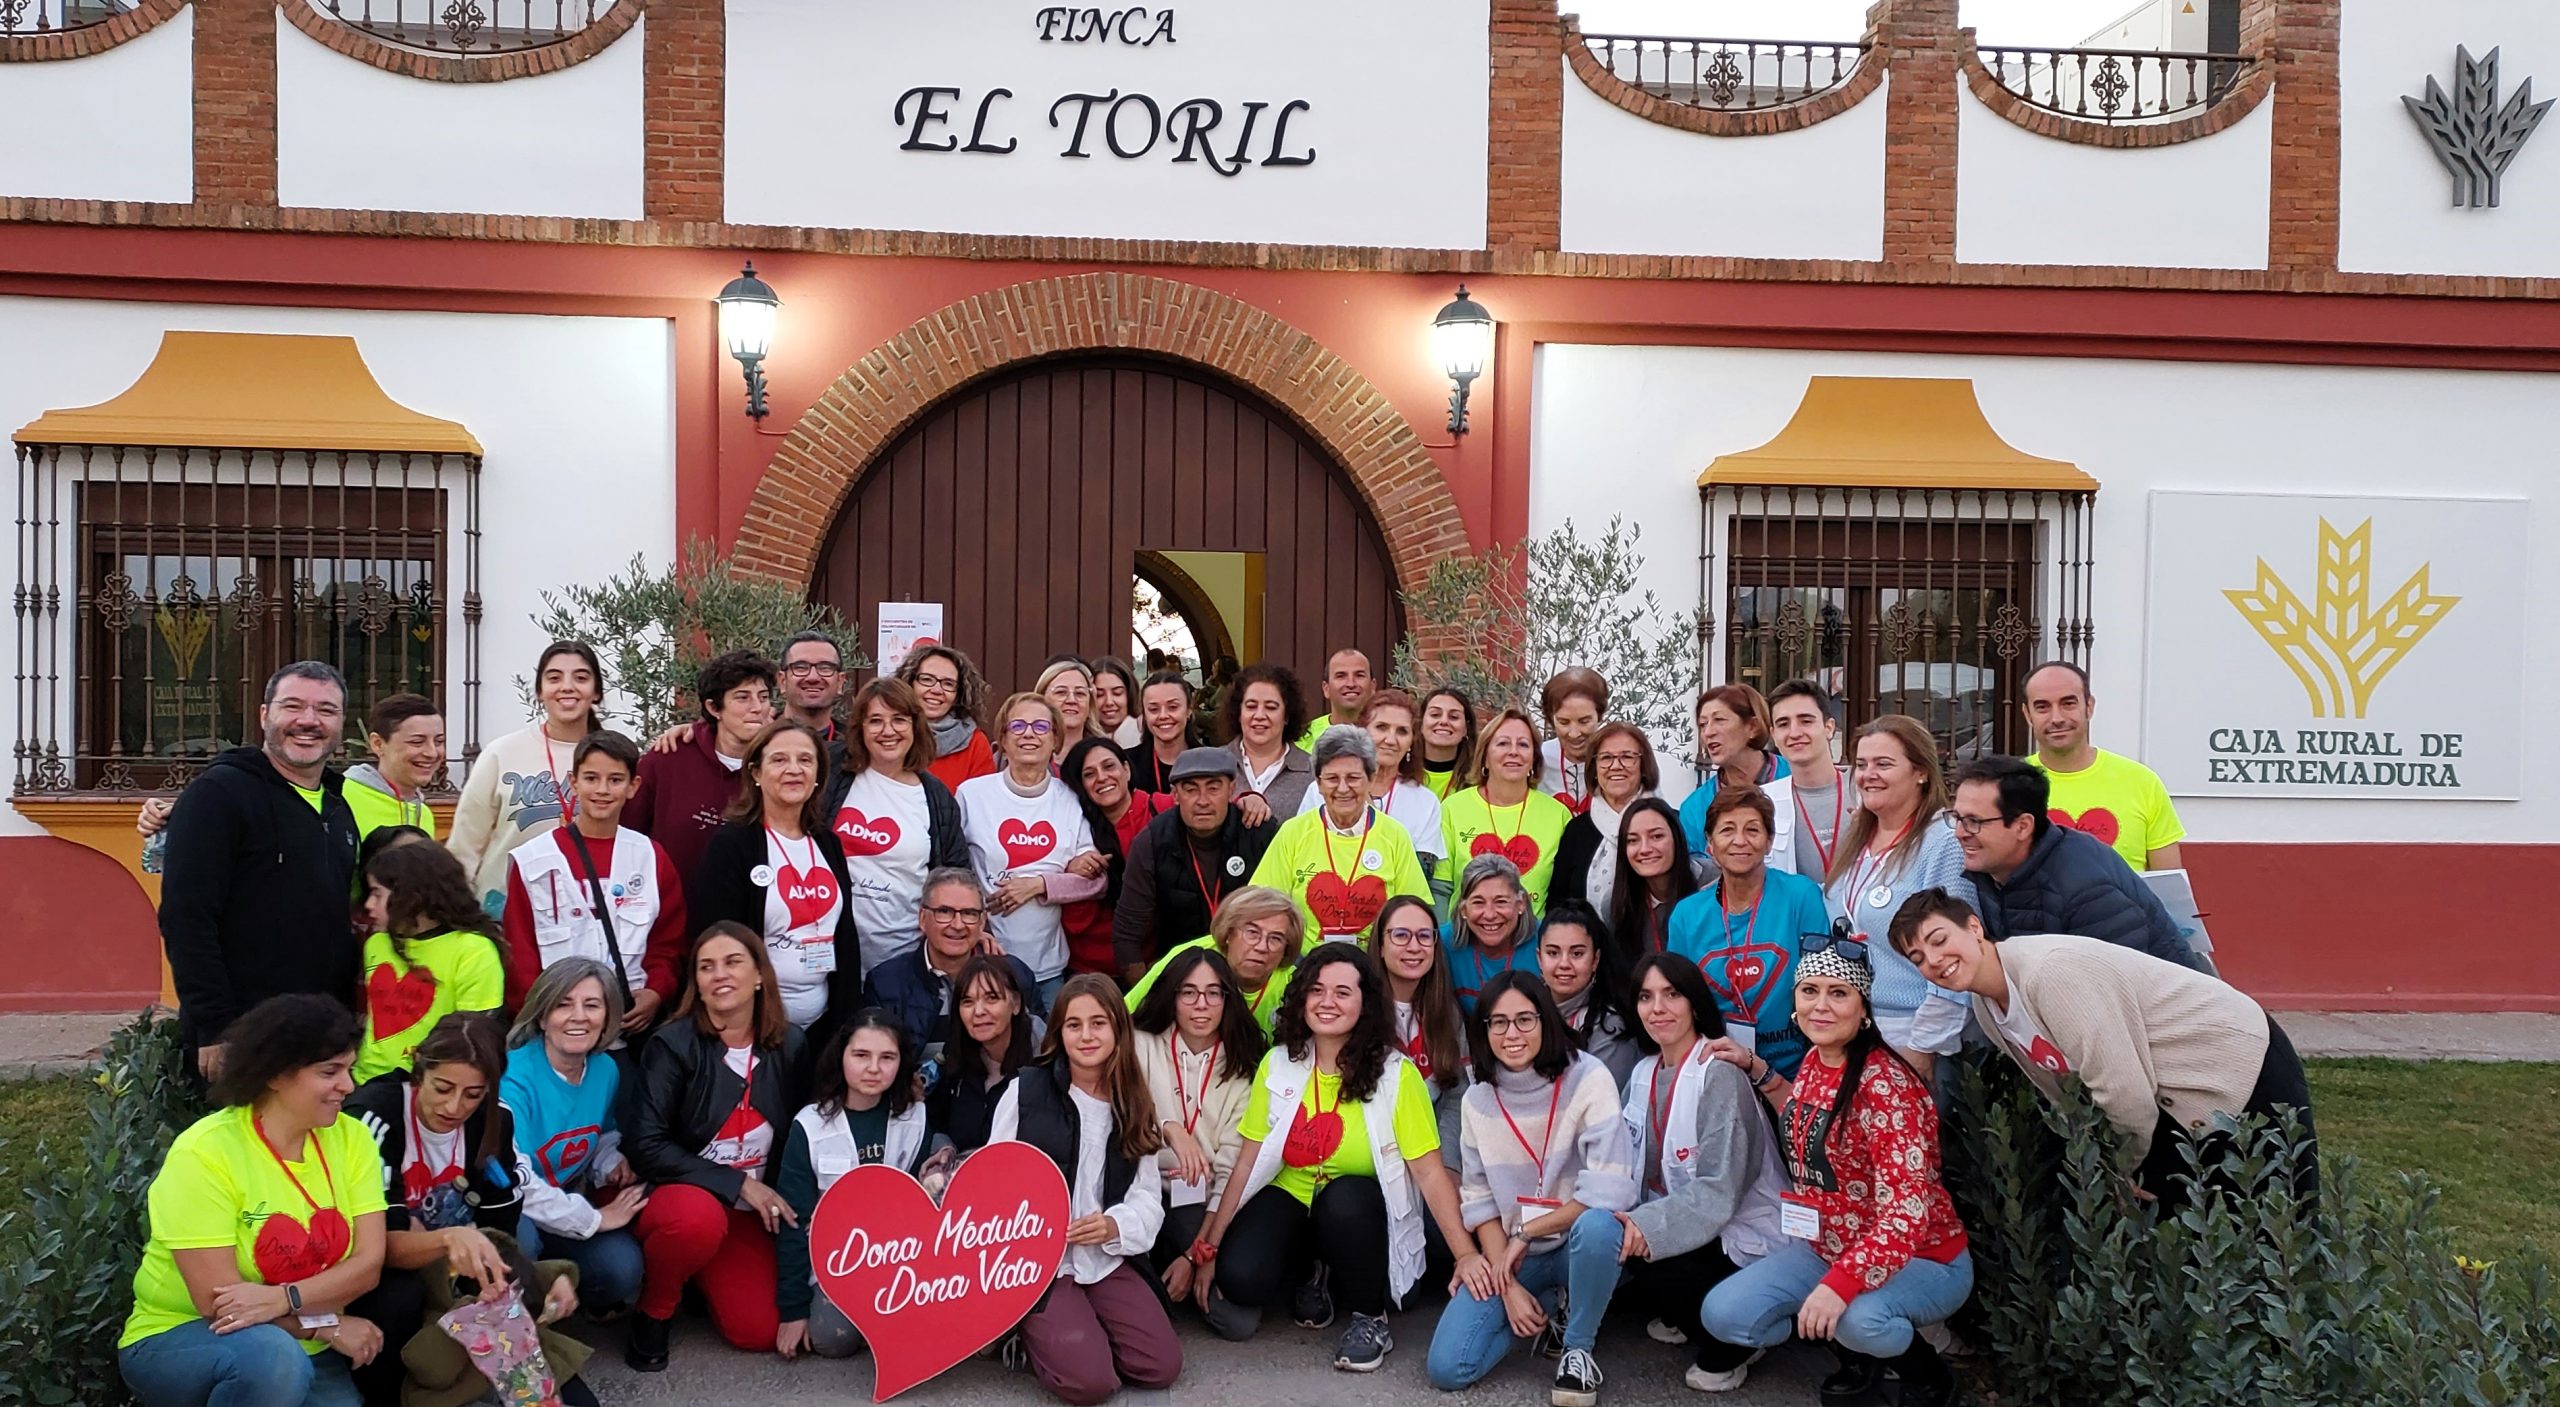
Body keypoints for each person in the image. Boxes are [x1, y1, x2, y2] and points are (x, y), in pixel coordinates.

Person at [1889, 889, 2315, 1206]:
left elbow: (2123, 1093)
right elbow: (2066, 1091)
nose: (1933, 960)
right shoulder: (1987, 1007)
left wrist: (2118, 1169)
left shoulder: (2050, 973)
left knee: (2272, 1214)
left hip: (2234, 1062)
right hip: (2158, 1089)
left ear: (1974, 928)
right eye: (1917, 957)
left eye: (1939, 940)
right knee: (2183, 1221)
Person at [1193, 944, 1493, 1373]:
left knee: (1345, 1198)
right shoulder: (1278, 1064)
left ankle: (1371, 1318)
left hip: (1358, 1209)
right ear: (1301, 1000)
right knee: (1241, 1277)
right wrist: (1210, 1249)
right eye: (1316, 990)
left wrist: (1464, 1254)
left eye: (1342, 992)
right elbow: (1247, 1161)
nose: (1327, 1002)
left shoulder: (1396, 1074)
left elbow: (1428, 1172)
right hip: (1293, 1192)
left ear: (1365, 1003)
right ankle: (1313, 1273)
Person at [1701, 942, 1970, 1407]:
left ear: (1863, 1009)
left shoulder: (1885, 1086)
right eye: (1809, 991)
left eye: (1838, 993)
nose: (1820, 1005)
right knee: (1724, 1314)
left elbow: (1905, 1215)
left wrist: (1837, 1288)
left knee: (1857, 1319)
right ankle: (1857, 1351)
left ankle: (1928, 1377)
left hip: (1924, 1259)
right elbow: (1809, 1121)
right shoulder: (1816, 1060)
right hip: (1826, 1246)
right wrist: (1756, 1068)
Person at [119, 994, 388, 1407]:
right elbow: (219, 1305)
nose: (348, 1087)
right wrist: (324, 1327)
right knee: (273, 1362)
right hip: (184, 1335)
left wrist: (286, 1299)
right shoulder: (206, 1152)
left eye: (349, 1070)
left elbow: (368, 1266)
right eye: (329, 1072)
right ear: (277, 1075)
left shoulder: (353, 1139)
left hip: (295, 1341)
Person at [1426, 971, 1637, 1405]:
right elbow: (1479, 1200)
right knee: (1449, 1368)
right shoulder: (1477, 1099)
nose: (1512, 1034)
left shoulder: (1588, 1077)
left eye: (1525, 1019)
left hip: (1579, 1243)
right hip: (1517, 1254)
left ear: (1546, 1021)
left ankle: (1577, 1349)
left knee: (1599, 1225)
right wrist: (1507, 1287)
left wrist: (1525, 1235)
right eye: (1498, 1023)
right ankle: (1546, 1304)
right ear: (1483, 1031)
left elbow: (1611, 1187)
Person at [344, 1014, 577, 1407]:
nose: (454, 1106)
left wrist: (536, 1284)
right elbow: (379, 1248)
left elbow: (498, 1230)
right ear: (419, 1068)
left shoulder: (494, 1119)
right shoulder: (375, 1115)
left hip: (457, 1264)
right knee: (399, 1297)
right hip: (384, 1273)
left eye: (473, 1094)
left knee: (558, 1392)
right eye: (442, 1088)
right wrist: (451, 1239)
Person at [159, 660, 367, 1083]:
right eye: (293, 706)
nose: (308, 721)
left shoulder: (338, 806)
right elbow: (187, 919)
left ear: (341, 722)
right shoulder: (219, 795)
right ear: (264, 715)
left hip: (323, 1036)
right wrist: (216, 1027)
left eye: (325, 710)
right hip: (245, 1037)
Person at [623, 922, 811, 1372]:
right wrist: (739, 1184)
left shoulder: (791, 1044)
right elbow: (645, 1144)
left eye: (732, 962)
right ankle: (656, 1309)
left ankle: (697, 1279)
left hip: (751, 1211)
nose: (719, 974)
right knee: (696, 1220)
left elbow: (806, 1129)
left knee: (759, 1330)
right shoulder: (672, 1044)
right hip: (684, 1198)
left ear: (760, 975)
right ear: (697, 983)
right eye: (706, 967)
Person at [992, 978, 1185, 1404]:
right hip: (1039, 1261)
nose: (1086, 1036)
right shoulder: (1027, 1090)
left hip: (1103, 1254)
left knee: (1160, 1366)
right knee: (1091, 1383)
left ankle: (1082, 1330)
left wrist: (1113, 1225)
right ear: (1058, 1032)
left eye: (1098, 1023)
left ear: (1118, 1029)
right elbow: (993, 1179)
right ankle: (1029, 1333)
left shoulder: (1134, 1101)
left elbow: (1147, 1196)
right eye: (1073, 1024)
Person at [1616, 954, 1787, 1392]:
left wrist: (1642, 1226)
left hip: (1746, 1232)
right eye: (1646, 997)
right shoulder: (1642, 1072)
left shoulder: (1720, 1072)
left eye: (1672, 994)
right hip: (1698, 1223)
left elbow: (1721, 1188)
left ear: (1694, 1003)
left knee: (1644, 1248)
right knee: (1626, 1243)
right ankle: (1694, 1313)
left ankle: (1746, 1338)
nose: (1659, 1008)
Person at [774, 1009, 935, 1362]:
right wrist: (793, 1310)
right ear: (841, 1056)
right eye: (861, 1055)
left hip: (898, 1259)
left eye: (887, 1057)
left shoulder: (915, 1118)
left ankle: (886, 1319)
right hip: (837, 1262)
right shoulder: (811, 1126)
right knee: (831, 1340)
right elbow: (793, 1219)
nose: (874, 1068)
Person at [499, 729, 687, 1028]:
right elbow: (520, 950)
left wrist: (656, 991)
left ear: (633, 786)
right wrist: (541, 1015)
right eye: (591, 778)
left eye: (615, 780)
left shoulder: (650, 857)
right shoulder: (533, 860)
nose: (602, 790)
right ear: (573, 782)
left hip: (628, 1025)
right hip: (554, 1026)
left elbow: (667, 942)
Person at [1950, 757, 2206, 971]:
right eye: (1957, 818)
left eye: (1975, 821)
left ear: (2022, 826)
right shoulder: (1990, 871)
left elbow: (2119, 993)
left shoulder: (2085, 889)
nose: (1960, 833)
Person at [1824, 716, 1975, 1076]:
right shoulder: (1856, 840)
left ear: (1921, 772)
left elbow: (1959, 955)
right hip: (1859, 1031)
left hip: (1916, 1037)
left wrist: (1924, 1047)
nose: (1867, 774)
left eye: (1884, 764)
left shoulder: (1943, 843)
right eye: (1861, 765)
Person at [695, 721, 862, 1035]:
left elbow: (845, 935)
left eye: (805, 760)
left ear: (818, 776)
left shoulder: (828, 842)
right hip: (755, 1027)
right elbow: (715, 940)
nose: (794, 769)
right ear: (756, 773)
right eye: (779, 759)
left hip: (823, 1026)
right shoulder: (733, 844)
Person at [502, 958, 648, 1316]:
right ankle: (518, 1335)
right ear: (541, 1016)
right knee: (522, 1238)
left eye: (592, 1005)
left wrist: (612, 1163)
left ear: (607, 1017)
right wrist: (595, 1220)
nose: (579, 1016)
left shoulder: (605, 1070)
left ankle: (557, 1298)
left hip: (564, 1202)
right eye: (563, 1004)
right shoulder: (513, 1077)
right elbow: (517, 1180)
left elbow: (600, 1133)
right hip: (517, 1207)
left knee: (622, 1269)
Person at [1132, 947, 1266, 1334]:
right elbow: (1119, 1113)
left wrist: (1198, 1254)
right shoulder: (1139, 1043)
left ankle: (1174, 1269)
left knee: (1237, 1322)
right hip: (1140, 1192)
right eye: (1188, 992)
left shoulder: (1244, 1065)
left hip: (1201, 1204)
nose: (1201, 1005)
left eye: (1213, 993)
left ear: (1228, 998)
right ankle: (1155, 1274)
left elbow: (1230, 1168)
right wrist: (1170, 1128)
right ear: (1171, 996)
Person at [1667, 788, 1834, 1081]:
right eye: (1727, 830)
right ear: (1710, 844)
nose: (1740, 841)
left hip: (1799, 1068)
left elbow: (1822, 983)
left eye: (1753, 830)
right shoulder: (1686, 915)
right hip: (1718, 1069)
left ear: (1769, 842)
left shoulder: (1801, 897)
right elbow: (1679, 1001)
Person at [137, 693, 447, 847]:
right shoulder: (343, 793)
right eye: (417, 741)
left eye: (440, 741)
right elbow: (265, 803)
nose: (431, 753)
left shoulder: (425, 813)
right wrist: (173, 811)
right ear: (378, 744)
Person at [959, 693, 1108, 1010]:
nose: (1029, 733)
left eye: (1041, 726)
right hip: (985, 961)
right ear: (1002, 738)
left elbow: (1096, 880)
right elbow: (952, 871)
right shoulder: (972, 795)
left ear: (1056, 739)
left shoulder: (1070, 799)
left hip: (1048, 970)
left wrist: (1039, 885)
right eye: (1018, 725)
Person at [826, 676, 971, 978]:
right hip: (833, 953)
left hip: (903, 957)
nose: (888, 731)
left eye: (899, 720)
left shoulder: (935, 797)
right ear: (860, 729)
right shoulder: (832, 776)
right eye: (875, 721)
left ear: (915, 726)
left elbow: (956, 871)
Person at [451, 641, 602, 916]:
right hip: (503, 914)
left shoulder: (613, 759)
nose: (567, 686)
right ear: (539, 692)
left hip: (588, 912)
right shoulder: (501, 753)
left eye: (580, 678)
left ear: (596, 693)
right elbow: (465, 846)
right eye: (554, 678)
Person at [1255, 726, 1431, 943]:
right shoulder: (1293, 833)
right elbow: (1262, 905)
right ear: (1318, 783)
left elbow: (1414, 911)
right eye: (1332, 779)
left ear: (1370, 778)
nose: (1343, 788)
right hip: (1306, 965)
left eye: (1353, 778)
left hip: (1373, 966)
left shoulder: (1394, 835)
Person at [1114, 748, 1280, 977]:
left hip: (1252, 969)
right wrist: (1146, 999)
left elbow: (1283, 912)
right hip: (1180, 973)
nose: (1203, 801)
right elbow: (1127, 932)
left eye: (1213, 788)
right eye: (1191, 790)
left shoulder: (1259, 831)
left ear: (1232, 790)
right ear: (1175, 795)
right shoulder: (1152, 841)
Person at [352, 842, 506, 1084]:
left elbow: (473, 1038)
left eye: (377, 893)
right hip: (364, 1081)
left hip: (428, 1088)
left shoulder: (473, 951)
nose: (369, 905)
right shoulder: (377, 944)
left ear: (413, 896)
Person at [627, 650, 779, 887]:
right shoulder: (668, 758)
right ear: (713, 708)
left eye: (763, 696)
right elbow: (627, 835)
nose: (757, 707)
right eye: (742, 697)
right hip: (671, 912)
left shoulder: (779, 764)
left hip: (752, 916)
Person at [2021, 660, 2185, 872]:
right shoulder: (2007, 785)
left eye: (2068, 703)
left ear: (2089, 707)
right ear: (2027, 715)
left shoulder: (2142, 783)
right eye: (2042, 707)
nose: (2057, 718)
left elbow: (2168, 888)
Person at [868, 867, 1041, 1062]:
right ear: (923, 919)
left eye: (969, 913)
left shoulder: (1016, 974)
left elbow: (1040, 1050)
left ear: (982, 921)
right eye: (944, 912)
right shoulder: (886, 983)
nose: (958, 925)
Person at [1297, 690, 1446, 884]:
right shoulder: (1322, 790)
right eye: (1381, 727)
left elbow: (1422, 875)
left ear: (1411, 742)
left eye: (1402, 731)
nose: (1391, 740)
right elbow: (1302, 853)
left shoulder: (1425, 801)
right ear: (1363, 732)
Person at [1124, 884, 1306, 1033]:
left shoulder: (1295, 983)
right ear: (1229, 933)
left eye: (1275, 939)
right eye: (1252, 933)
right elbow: (1124, 1015)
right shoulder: (1185, 960)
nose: (1261, 947)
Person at [1441, 709, 1572, 912]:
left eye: (1523, 745)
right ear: (1484, 757)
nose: (1513, 752)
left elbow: (1562, 895)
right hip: (1464, 938)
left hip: (1533, 940)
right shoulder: (1452, 808)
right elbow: (1442, 889)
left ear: (1534, 759)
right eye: (1502, 743)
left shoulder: (1558, 815)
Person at [1063, 735, 1170, 976]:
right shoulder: (1076, 829)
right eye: (1089, 774)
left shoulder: (1159, 809)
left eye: (1109, 766)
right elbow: (1074, 923)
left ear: (1127, 770)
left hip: (1152, 963)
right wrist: (1076, 877)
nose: (1102, 777)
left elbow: (1206, 806)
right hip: (1087, 970)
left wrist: (1250, 801)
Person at [925, 952, 1037, 1152]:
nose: (978, 1011)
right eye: (967, 1001)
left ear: (1016, 1004)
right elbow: (934, 1123)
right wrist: (943, 1149)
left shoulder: (1043, 1065)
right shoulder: (954, 1056)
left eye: (991, 998)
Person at [1550, 720, 1657, 917]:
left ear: (1644, 765)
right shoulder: (1576, 832)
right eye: (1606, 758)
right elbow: (1558, 906)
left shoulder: (1666, 823)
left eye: (1627, 756)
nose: (1616, 766)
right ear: (1594, 768)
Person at [1679, 685, 1794, 858]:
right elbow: (1696, 873)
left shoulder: (1793, 776)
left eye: (1719, 720)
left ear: (1753, 727)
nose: (1708, 732)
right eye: (1703, 724)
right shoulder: (1695, 807)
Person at [1536, 900, 1636, 1086]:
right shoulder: (1527, 1012)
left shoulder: (1611, 1025)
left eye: (1577, 954)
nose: (1564, 964)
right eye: (1553, 953)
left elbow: (1603, 1099)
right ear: (1539, 958)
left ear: (1595, 960)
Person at [1768, 681, 1855, 882]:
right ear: (1774, 735)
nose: (1795, 733)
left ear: (1829, 727)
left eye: (1806, 721)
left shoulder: (1865, 789)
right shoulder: (1764, 800)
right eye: (1783, 724)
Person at [1604, 797, 1700, 965]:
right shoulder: (1616, 904)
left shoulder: (1711, 884)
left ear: (1677, 838)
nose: (1645, 849)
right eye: (1633, 840)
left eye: (1656, 836)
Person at [1446, 855, 1543, 1015]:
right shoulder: (1442, 943)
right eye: (1478, 902)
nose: (1490, 915)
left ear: (1520, 904)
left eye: (1501, 902)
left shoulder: (1546, 941)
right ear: (1463, 909)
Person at [897, 643, 999, 790]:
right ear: (909, 683)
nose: (937, 690)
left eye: (948, 684)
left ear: (959, 694)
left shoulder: (975, 743)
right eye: (927, 679)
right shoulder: (891, 733)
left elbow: (982, 803)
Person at [1224, 662, 1315, 822]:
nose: (1259, 715)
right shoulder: (1215, 764)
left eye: (1271, 708)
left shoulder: (1313, 772)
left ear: (1287, 716)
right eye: (1251, 706)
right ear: (1238, 713)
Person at [1536, 667, 1610, 814]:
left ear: (1599, 716)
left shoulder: (1621, 760)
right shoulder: (1537, 759)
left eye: (1584, 721)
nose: (1574, 734)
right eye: (1564, 722)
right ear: (1551, 719)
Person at [1127, 669, 1199, 794]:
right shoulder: (1128, 764)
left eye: (1172, 707)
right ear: (1144, 714)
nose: (1163, 716)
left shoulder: (1211, 761)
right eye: (1154, 709)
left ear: (1189, 709)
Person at [775, 630, 853, 745]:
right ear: (782, 681)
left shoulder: (856, 748)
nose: (813, 677)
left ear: (840, 682)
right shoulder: (759, 742)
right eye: (801, 667)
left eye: (825, 668)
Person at [1293, 648, 1377, 754]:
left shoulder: (1386, 734)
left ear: (1372, 686)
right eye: (1341, 676)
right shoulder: (1304, 737)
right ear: (1326, 688)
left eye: (1359, 675)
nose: (1351, 684)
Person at [1418, 687, 1481, 801]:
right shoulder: (1401, 772)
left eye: (1454, 717)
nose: (1443, 721)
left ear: (1466, 728)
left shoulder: (1478, 778)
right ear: (1421, 724)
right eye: (1435, 714)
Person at [1039, 659, 1107, 745]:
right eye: (1061, 692)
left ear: (1090, 704)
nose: (1072, 700)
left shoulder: (1106, 754)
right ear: (1041, 699)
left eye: (1080, 693)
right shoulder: (1025, 753)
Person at [1091, 655, 1148, 751]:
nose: (1109, 702)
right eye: (1099, 695)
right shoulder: (1079, 738)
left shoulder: (1147, 733)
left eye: (1117, 693)